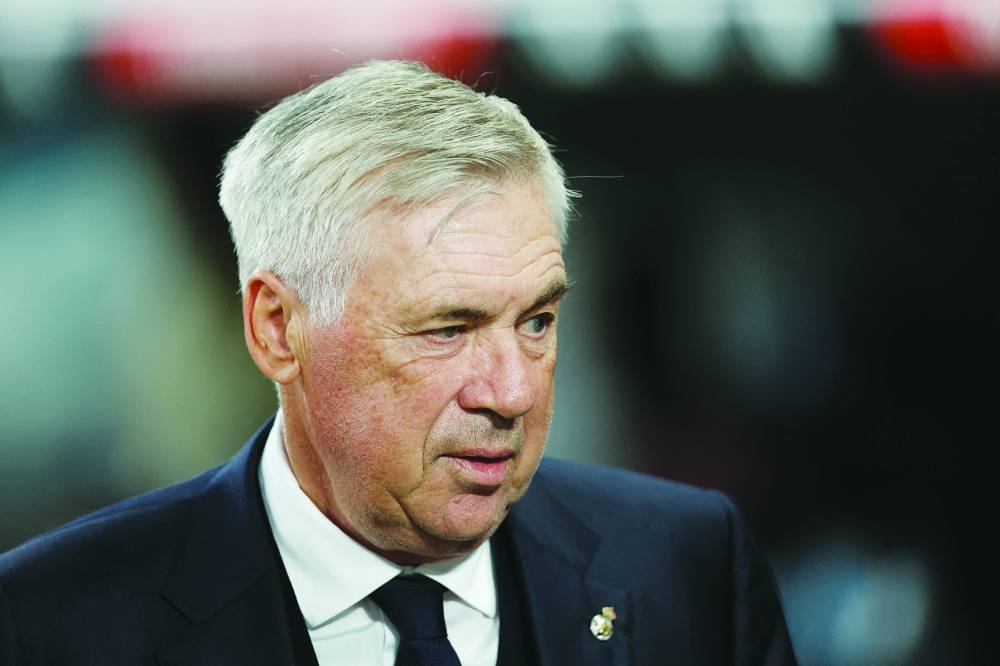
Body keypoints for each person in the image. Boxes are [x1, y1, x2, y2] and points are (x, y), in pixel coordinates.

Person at [0, 60, 796, 665]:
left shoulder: (688, 567)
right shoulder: (56, 621)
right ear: (277, 329)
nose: (512, 391)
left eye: (539, 321)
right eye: (446, 329)